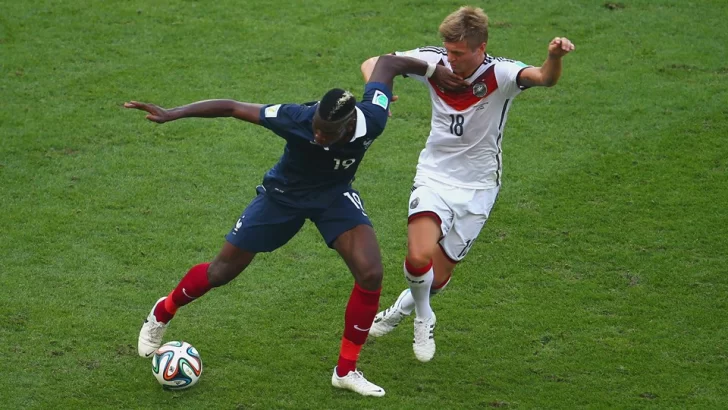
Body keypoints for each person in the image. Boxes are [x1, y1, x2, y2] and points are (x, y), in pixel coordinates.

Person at [125, 55, 467, 397]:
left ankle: (345, 371)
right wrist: (174, 113)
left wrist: (433, 71)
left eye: (326, 132)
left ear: (349, 124)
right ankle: (163, 311)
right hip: (283, 197)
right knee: (221, 272)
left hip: (333, 197)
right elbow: (232, 107)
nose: (317, 135)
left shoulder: (373, 118)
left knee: (371, 273)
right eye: (316, 127)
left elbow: (389, 64)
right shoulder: (297, 118)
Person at [360, 6, 575, 362]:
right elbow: (376, 62)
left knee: (437, 277)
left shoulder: (501, 74)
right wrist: (377, 95)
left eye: (458, 53)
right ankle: (424, 317)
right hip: (434, 175)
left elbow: (543, 78)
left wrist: (554, 57)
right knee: (417, 256)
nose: (450, 59)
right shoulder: (434, 62)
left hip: (478, 187)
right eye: (448, 50)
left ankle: (399, 311)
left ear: (481, 48)